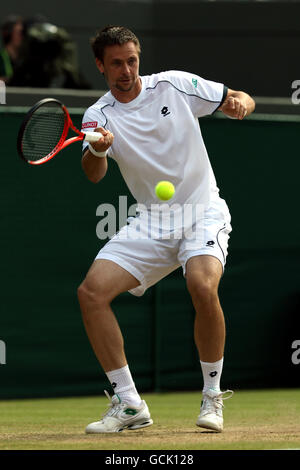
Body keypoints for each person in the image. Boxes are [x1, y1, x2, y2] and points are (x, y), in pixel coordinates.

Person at [78, 25, 255, 434]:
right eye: (117, 63)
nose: (127, 70)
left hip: (203, 211)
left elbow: (239, 96)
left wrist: (240, 104)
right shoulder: (97, 117)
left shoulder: (175, 85)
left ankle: (212, 396)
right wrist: (99, 150)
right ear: (101, 66)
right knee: (91, 293)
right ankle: (128, 404)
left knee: (202, 285)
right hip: (152, 222)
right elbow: (93, 174)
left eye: (132, 60)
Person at [0, 16, 23, 84]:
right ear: (8, 34)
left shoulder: (24, 61)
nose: (22, 37)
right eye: (19, 33)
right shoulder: (1, 59)